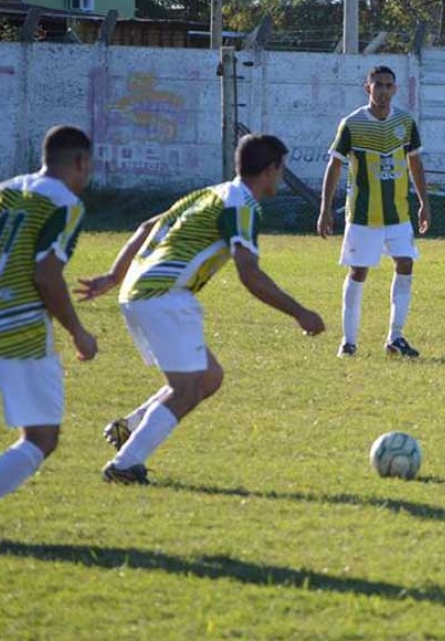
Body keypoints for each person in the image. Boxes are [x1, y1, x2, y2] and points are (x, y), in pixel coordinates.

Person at [76, 134, 325, 485]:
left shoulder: (212, 193)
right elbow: (249, 273)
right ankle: (125, 464)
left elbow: (147, 227)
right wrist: (300, 312)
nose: (281, 178)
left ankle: (131, 427)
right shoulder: (242, 206)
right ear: (270, 170)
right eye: (281, 170)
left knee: (208, 377)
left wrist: (115, 275)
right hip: (163, 295)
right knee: (186, 389)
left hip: (142, 291)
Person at [0, 125, 98, 541]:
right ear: (80, 162)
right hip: (19, 335)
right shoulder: (67, 204)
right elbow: (46, 275)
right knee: (42, 437)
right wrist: (78, 331)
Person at [317, 65, 431, 358]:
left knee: (406, 263)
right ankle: (349, 341)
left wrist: (424, 202)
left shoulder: (405, 123)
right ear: (367, 87)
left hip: (398, 214)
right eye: (377, 84)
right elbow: (335, 165)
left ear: (395, 89)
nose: (383, 90)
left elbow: (415, 163)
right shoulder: (352, 124)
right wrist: (325, 208)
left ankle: (395, 337)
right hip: (363, 215)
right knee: (358, 271)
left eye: (388, 85)